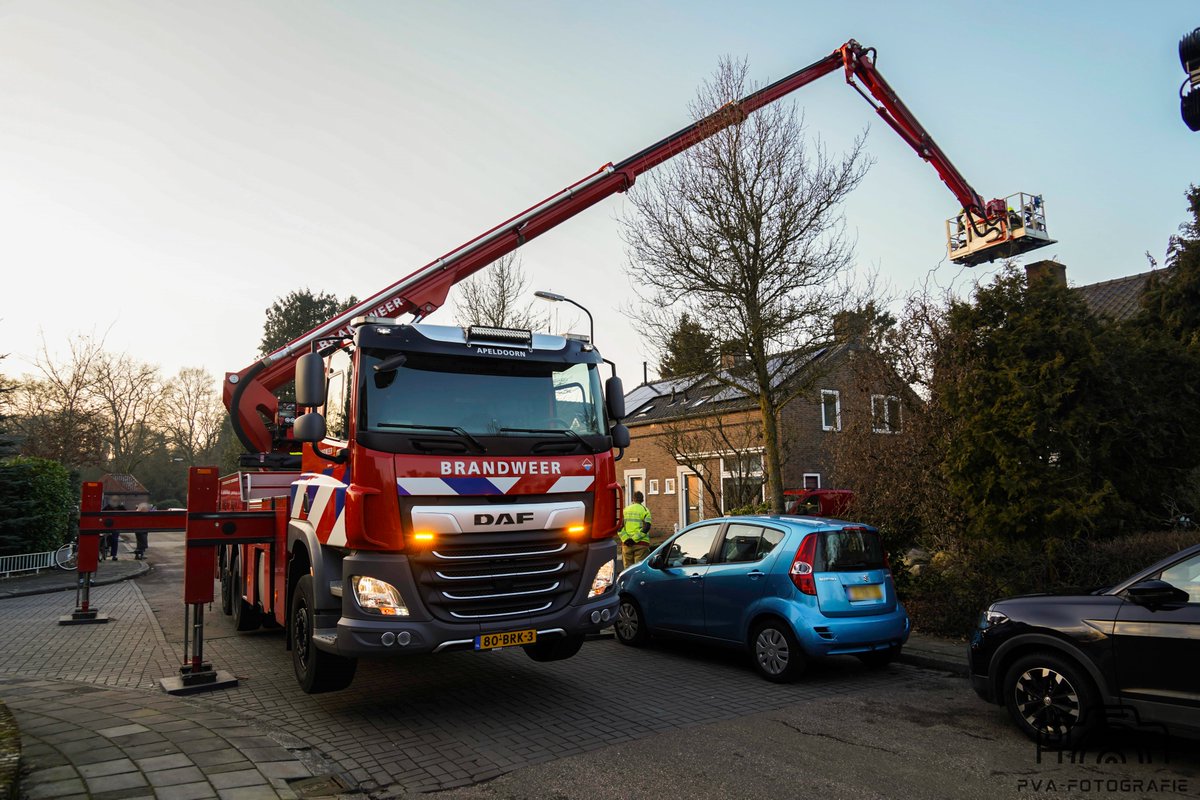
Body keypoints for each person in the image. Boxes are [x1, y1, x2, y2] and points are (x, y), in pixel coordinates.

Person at [620, 491, 653, 568]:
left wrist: (626, 539)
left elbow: (619, 527)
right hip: (641, 544)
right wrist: (634, 539)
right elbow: (646, 527)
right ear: (642, 499)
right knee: (639, 569)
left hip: (626, 545)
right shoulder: (645, 510)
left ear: (633, 499)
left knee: (627, 570)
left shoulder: (625, 510)